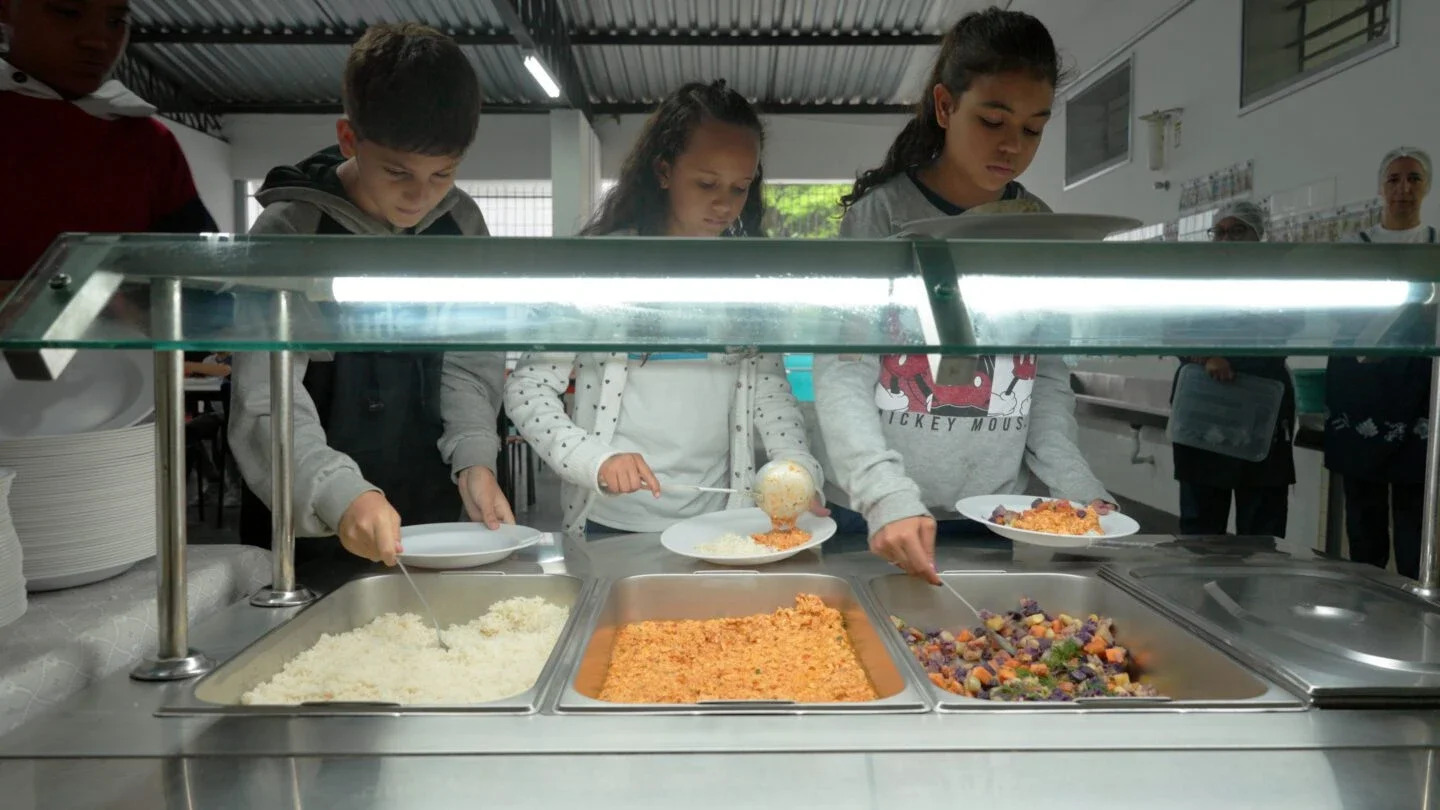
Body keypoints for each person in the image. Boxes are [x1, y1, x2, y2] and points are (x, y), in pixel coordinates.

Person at [813, 8, 1112, 584]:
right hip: (876, 513)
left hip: (992, 516)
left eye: (1032, 128)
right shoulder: (881, 217)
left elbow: (1045, 379)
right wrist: (883, 493)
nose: (1012, 147)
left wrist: (1075, 489)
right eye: (993, 120)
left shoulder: (1037, 225)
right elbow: (842, 371)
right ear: (946, 107)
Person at [228, 23, 510, 569]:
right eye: (398, 171)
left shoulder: (460, 224)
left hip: (427, 513)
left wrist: (475, 460)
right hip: (308, 513)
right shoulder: (292, 231)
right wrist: (339, 494)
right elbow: (266, 400)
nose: (420, 196)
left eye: (443, 173)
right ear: (349, 139)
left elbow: (468, 362)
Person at [502, 80, 823, 537]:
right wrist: (597, 460)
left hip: (718, 519)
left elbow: (769, 389)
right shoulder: (599, 269)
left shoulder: (744, 278)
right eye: (707, 183)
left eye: (740, 188)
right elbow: (528, 390)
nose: (724, 204)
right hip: (611, 521)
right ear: (664, 170)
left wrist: (796, 467)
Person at [0, 0, 217, 297]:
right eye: (68, 12)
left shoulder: (147, 142)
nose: (97, 41)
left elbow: (204, 292)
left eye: (116, 22)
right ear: (6, 9)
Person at [1325, 147, 1435, 580]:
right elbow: (1337, 311)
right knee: (1364, 506)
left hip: (1420, 389)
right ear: (1380, 187)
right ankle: (1365, 594)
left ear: (1426, 187)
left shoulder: (1435, 246)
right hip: (1362, 385)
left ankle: (1412, 599)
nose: (1403, 189)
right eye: (1394, 179)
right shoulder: (1353, 248)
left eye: (1413, 179)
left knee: (1414, 508)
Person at [1171, 201, 1295, 538]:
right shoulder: (1195, 282)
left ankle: (1253, 591)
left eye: (1238, 230)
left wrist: (1230, 360)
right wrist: (1205, 356)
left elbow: (1287, 329)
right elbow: (1172, 328)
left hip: (1261, 410)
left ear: (1258, 235)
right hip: (1202, 411)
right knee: (1200, 529)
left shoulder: (1278, 282)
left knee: (1261, 530)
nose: (1227, 239)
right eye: (1220, 232)